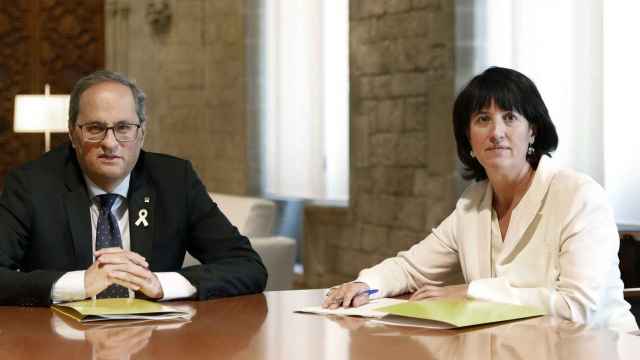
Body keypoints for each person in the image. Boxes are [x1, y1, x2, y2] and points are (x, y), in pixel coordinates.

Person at [323, 67, 638, 331]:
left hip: (599, 348)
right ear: (468, 138)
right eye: (483, 119)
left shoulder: (578, 195)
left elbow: (577, 307)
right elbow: (411, 268)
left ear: (532, 131)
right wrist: (367, 285)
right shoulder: (472, 204)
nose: (497, 132)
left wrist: (470, 294)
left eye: (510, 118)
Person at [0, 70, 267, 306]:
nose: (110, 143)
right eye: (95, 128)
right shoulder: (31, 185)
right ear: (72, 133)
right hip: (58, 341)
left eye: (123, 128)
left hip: (152, 340)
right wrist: (79, 284)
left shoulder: (174, 181)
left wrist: (161, 284)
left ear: (142, 133)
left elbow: (248, 266)